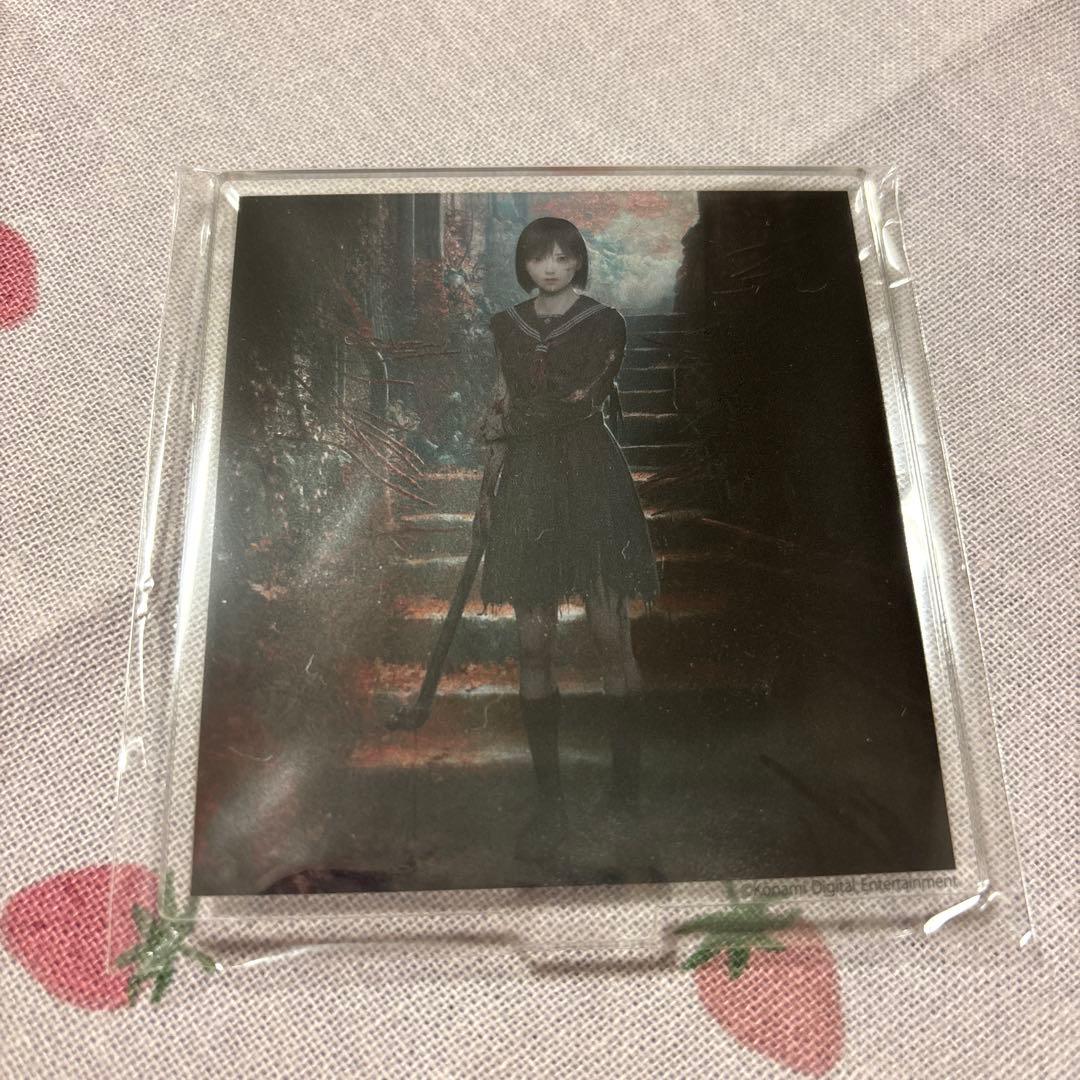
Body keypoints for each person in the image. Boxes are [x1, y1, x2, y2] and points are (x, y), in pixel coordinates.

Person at [473, 216, 660, 864]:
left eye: (562, 257)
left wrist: (535, 413)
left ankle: (625, 795)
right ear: (525, 265)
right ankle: (550, 803)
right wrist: (487, 492)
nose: (550, 268)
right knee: (533, 644)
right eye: (538, 258)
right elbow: (500, 410)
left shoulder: (605, 323)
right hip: (529, 483)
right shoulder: (506, 326)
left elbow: (582, 399)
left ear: (578, 261)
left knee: (611, 636)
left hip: (590, 478)